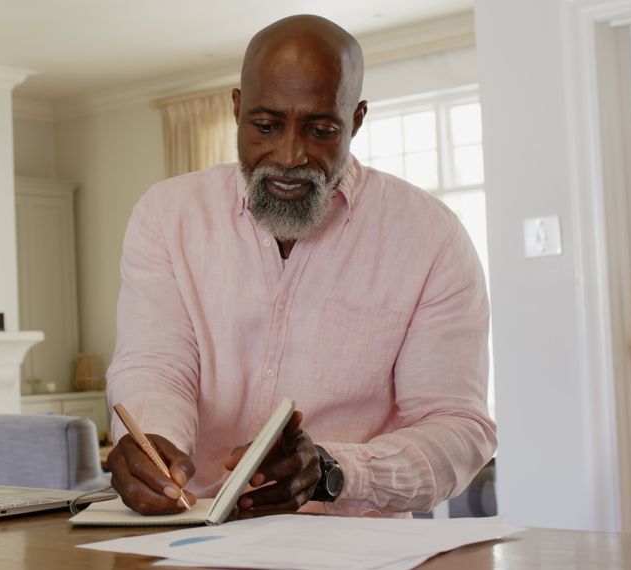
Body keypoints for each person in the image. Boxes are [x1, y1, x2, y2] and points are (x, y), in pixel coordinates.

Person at [105, 14, 496, 518]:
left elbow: (458, 426)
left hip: (350, 545)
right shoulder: (166, 215)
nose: (289, 156)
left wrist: (334, 471)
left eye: (320, 130)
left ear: (356, 121)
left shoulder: (432, 237)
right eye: (266, 126)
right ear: (237, 109)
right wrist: (154, 447)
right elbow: (155, 365)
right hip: (188, 530)